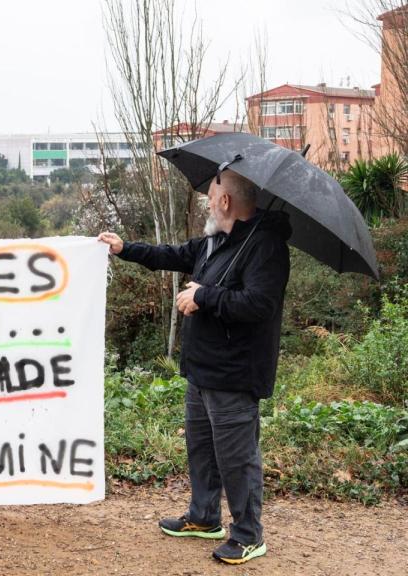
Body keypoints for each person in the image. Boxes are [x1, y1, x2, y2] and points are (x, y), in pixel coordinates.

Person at [98, 168, 291, 565]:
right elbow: (172, 254)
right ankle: (204, 518)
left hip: (235, 375)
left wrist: (206, 296)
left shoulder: (266, 246)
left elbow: (259, 304)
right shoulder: (213, 241)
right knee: (201, 450)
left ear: (225, 201)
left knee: (237, 458)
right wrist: (124, 248)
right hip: (202, 369)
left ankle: (248, 534)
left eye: (211, 193)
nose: (205, 198)